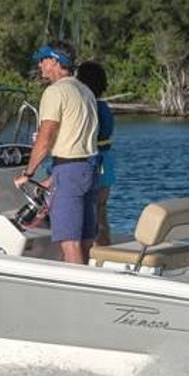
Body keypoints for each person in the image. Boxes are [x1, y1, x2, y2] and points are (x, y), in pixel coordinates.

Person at [15, 41, 99, 264]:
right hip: (89, 169)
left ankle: (78, 295)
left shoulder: (55, 92)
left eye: (43, 60)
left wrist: (28, 172)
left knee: (69, 242)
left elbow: (46, 137)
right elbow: (77, 141)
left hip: (69, 171)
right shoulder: (86, 91)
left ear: (54, 61)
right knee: (85, 239)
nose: (40, 66)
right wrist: (51, 180)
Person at [75, 61, 115, 247]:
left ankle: (94, 251)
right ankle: (104, 249)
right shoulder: (104, 107)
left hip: (95, 162)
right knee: (101, 210)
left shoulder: (90, 107)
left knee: (90, 211)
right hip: (107, 162)